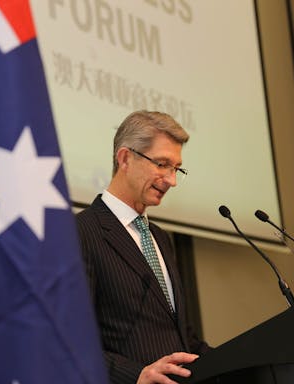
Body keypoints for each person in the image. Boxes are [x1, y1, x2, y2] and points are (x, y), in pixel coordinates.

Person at [76, 110, 210, 384]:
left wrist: (245, 363)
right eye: (162, 164)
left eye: (176, 168)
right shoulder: (81, 232)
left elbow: (181, 335)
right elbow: (73, 339)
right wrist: (135, 375)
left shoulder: (160, 237)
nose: (171, 180)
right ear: (125, 158)